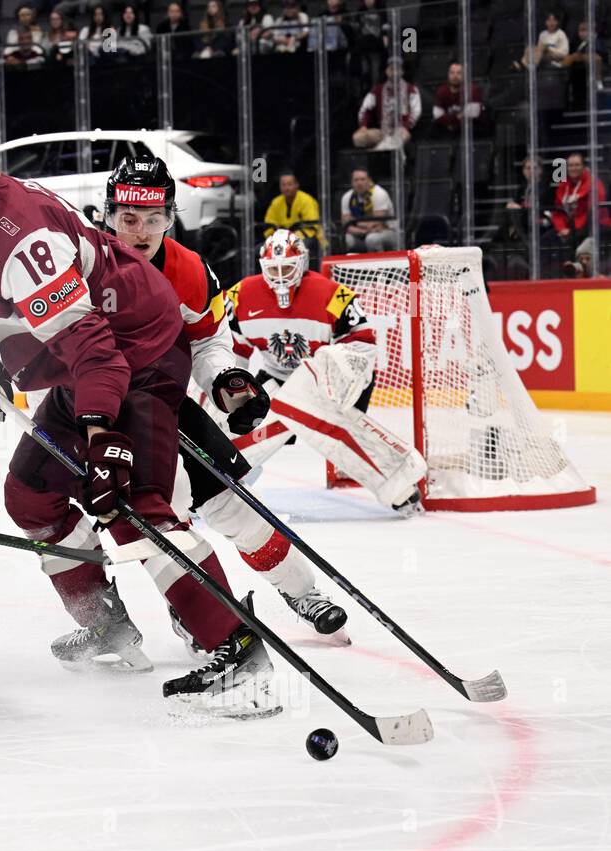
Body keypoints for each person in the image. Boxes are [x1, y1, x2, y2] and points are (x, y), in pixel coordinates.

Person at [0, 118, 277, 714]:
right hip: (78, 366)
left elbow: (96, 352)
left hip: (139, 352)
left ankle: (237, 650)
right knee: (30, 497)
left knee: (132, 505)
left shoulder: (25, 243)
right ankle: (105, 625)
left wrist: (105, 437)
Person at [101, 157, 347, 636]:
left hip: (168, 403)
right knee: (163, 515)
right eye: (129, 219)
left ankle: (301, 592)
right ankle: (194, 613)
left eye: (154, 218)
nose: (141, 231)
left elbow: (207, 342)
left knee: (235, 506)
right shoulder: (86, 264)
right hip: (103, 417)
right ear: (108, 215)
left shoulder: (189, 270)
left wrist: (230, 379)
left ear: (171, 217)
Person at [220, 231, 426, 514]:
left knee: (305, 403)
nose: (280, 276)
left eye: (287, 268)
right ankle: (219, 474)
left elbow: (362, 344)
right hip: (277, 378)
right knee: (253, 415)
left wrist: (330, 377)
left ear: (302, 264)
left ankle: (398, 478)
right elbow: (231, 354)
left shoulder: (331, 294)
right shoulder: (240, 296)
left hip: (329, 377)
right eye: (274, 269)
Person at [353, 58, 421, 150]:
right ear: (387, 71)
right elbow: (365, 109)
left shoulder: (411, 90)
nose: (395, 73)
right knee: (358, 138)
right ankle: (382, 146)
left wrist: (406, 127)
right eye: (392, 69)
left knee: (399, 138)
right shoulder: (377, 90)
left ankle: (382, 149)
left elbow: (416, 112)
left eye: (397, 69)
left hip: (402, 132)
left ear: (402, 72)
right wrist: (363, 126)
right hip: (382, 132)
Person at [551, 152, 611, 253]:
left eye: (577, 165)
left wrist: (572, 229)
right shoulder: (563, 186)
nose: (573, 168)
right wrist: (562, 228)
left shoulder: (593, 182)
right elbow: (558, 211)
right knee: (546, 239)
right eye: (570, 165)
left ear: (583, 167)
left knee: (576, 239)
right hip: (570, 228)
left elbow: (594, 211)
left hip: (592, 225)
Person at [340, 167, 399, 251]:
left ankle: (380, 264)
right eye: (356, 180)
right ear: (352, 183)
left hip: (387, 231)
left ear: (369, 181)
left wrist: (354, 221)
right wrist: (362, 231)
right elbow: (346, 225)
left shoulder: (379, 193)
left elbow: (376, 223)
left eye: (362, 179)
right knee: (346, 239)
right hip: (361, 233)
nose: (359, 183)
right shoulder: (347, 197)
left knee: (372, 239)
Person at [430, 60, 487, 138]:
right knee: (433, 129)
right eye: (452, 73)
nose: (455, 76)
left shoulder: (472, 90)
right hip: (448, 128)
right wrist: (457, 117)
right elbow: (437, 116)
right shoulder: (441, 91)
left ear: (464, 75)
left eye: (459, 73)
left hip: (470, 129)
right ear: (448, 75)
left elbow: (472, 115)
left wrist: (450, 120)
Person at [263, 171, 321, 243]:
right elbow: (269, 225)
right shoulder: (276, 202)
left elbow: (312, 226)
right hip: (281, 241)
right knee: (259, 250)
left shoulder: (306, 200)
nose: (286, 188)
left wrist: (291, 238)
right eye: (283, 185)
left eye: (289, 184)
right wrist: (277, 237)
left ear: (297, 185)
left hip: (304, 239)